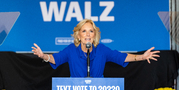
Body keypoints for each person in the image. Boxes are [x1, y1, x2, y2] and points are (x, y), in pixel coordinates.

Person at [32, 19, 160, 77]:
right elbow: (56, 58)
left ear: (94, 35)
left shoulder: (102, 50)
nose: (88, 34)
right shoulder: (71, 50)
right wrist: (43, 56)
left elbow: (121, 57)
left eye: (91, 31)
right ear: (78, 35)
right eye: (84, 31)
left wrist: (141, 57)